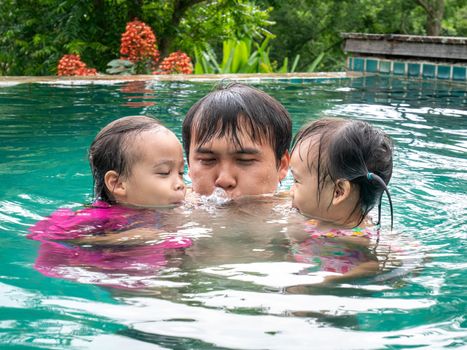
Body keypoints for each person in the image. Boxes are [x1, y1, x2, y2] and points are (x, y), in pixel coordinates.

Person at [27, 116, 191, 288]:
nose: (180, 184)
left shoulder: (172, 209)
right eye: (164, 173)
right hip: (115, 276)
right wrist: (125, 238)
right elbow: (46, 234)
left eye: (180, 172)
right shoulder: (99, 217)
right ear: (118, 184)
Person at [287, 117, 394, 281]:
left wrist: (324, 284)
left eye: (296, 181)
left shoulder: (356, 240)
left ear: (338, 192)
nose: (290, 192)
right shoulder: (315, 217)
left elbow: (377, 265)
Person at [182, 83, 291, 199]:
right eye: (207, 160)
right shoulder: (170, 208)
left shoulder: (303, 213)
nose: (224, 181)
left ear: (282, 166)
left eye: (245, 160)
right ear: (189, 165)